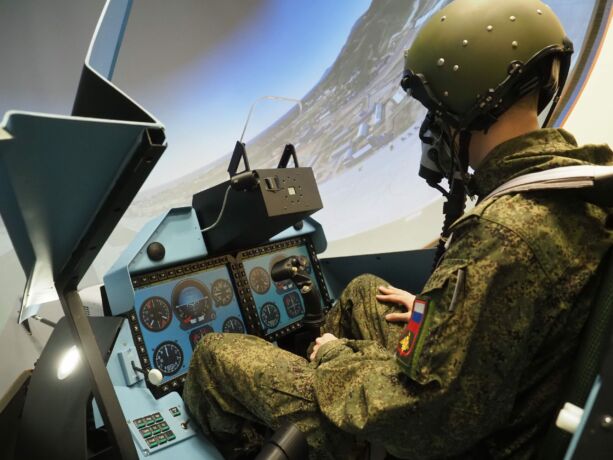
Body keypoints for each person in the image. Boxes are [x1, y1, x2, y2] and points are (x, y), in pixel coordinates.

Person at [183, 0, 613, 458]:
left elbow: (424, 416)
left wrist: (334, 357)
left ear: (467, 102)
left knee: (215, 356)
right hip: (499, 401)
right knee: (363, 293)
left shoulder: (503, 235)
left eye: (436, 110)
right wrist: (441, 316)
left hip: (442, 438)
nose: (432, 126)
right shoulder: (575, 187)